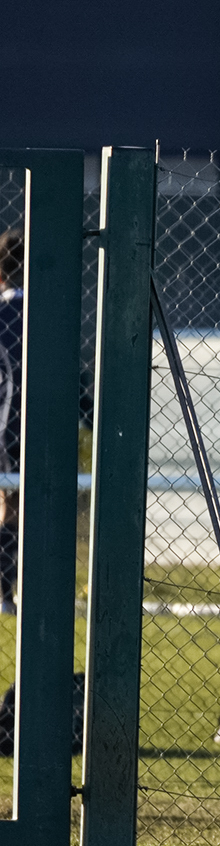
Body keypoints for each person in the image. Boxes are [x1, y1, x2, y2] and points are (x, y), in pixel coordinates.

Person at [0, 228, 23, 615]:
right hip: (32, 424)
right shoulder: (50, 310)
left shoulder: (4, 313)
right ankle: (6, 591)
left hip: (6, 424)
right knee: (17, 509)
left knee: (12, 505)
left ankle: (6, 591)